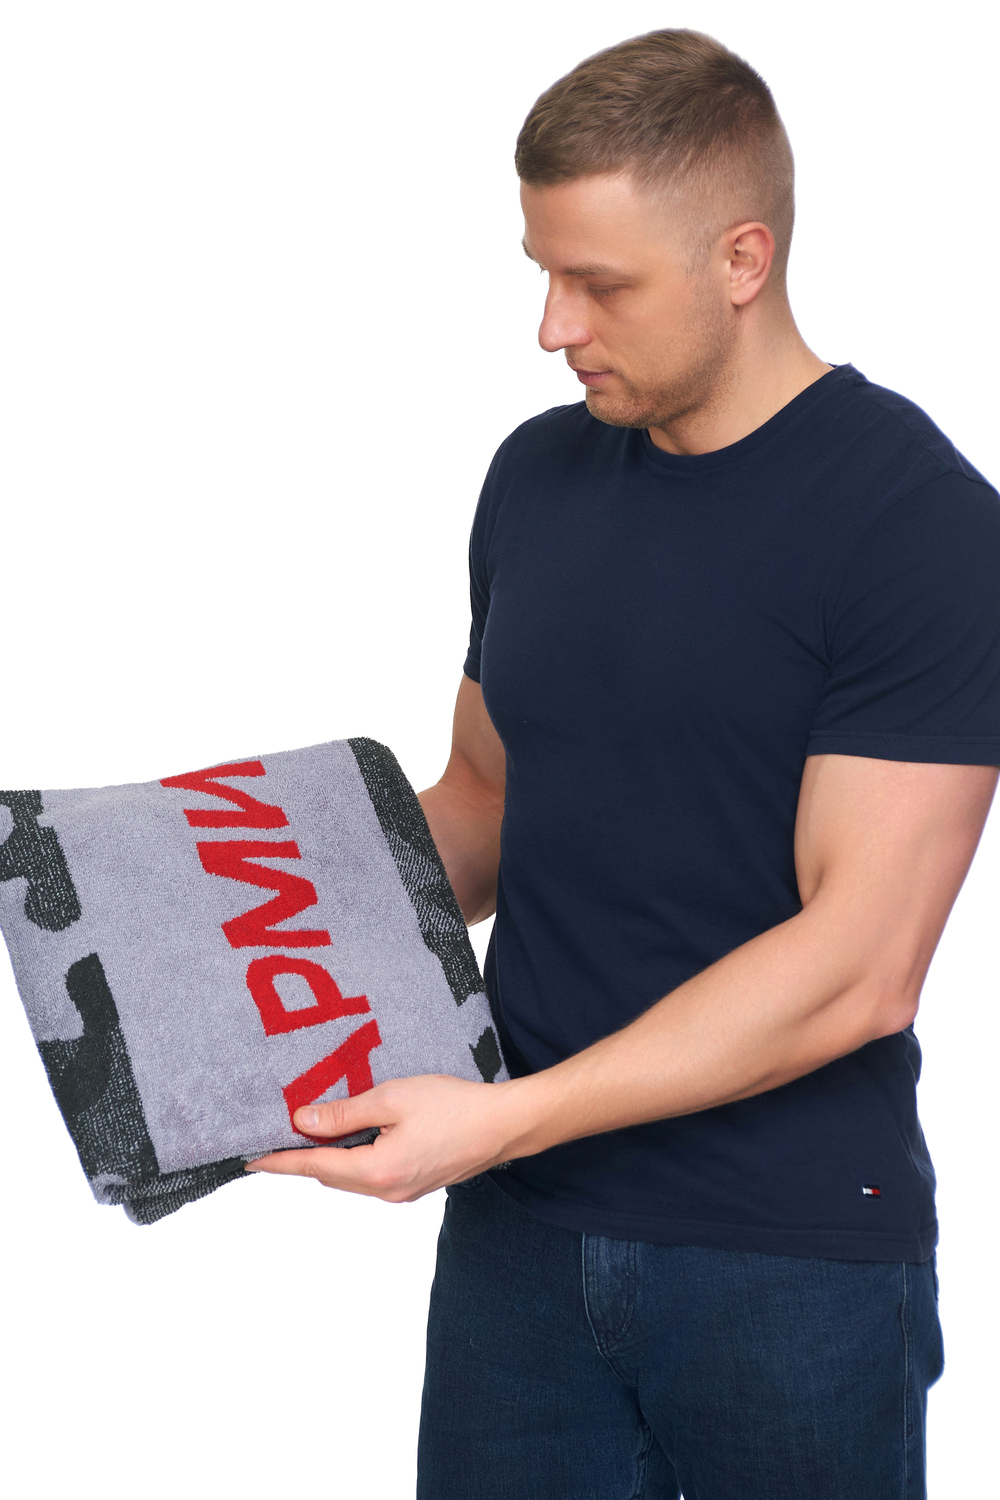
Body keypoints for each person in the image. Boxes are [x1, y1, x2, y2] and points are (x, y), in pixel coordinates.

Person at [248, 28, 1000, 1499]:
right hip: (518, 1248)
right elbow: (483, 808)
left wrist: (501, 1120)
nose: (552, 325)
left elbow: (860, 965)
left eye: (601, 284)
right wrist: (189, 900)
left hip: (784, 1260)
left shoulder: (919, 526)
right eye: (542, 271)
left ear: (742, 258)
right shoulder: (536, 475)